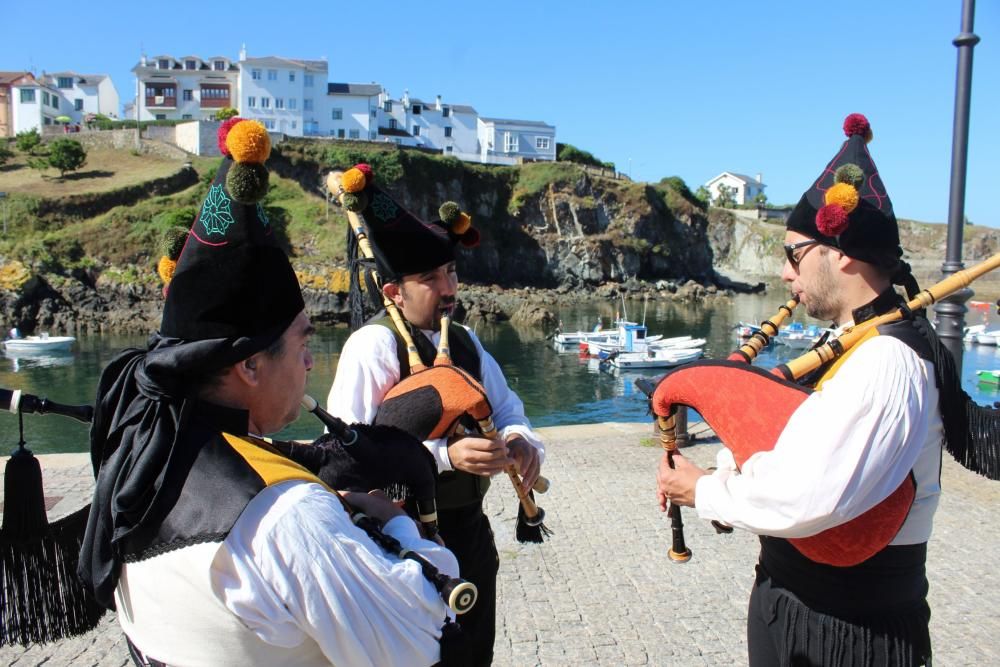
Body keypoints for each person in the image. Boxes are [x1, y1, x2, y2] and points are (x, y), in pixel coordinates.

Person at [78, 120, 459, 667]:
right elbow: (419, 641)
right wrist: (393, 523)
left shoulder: (139, 453)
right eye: (302, 342)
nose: (310, 361)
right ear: (251, 365)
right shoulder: (291, 513)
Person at [656, 114, 949, 666]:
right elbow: (794, 446)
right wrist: (725, 479)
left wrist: (707, 492)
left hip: (849, 628)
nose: (786, 276)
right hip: (800, 605)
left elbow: (812, 495)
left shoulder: (889, 359)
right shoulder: (855, 344)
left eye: (793, 256)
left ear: (839, 252)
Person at [326, 165, 546, 666]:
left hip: (468, 531)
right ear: (393, 292)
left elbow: (508, 405)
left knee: (474, 655)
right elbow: (344, 456)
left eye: (450, 272)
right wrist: (445, 456)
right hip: (401, 539)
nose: (448, 289)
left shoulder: (465, 340)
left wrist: (520, 441)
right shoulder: (374, 346)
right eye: (429, 278)